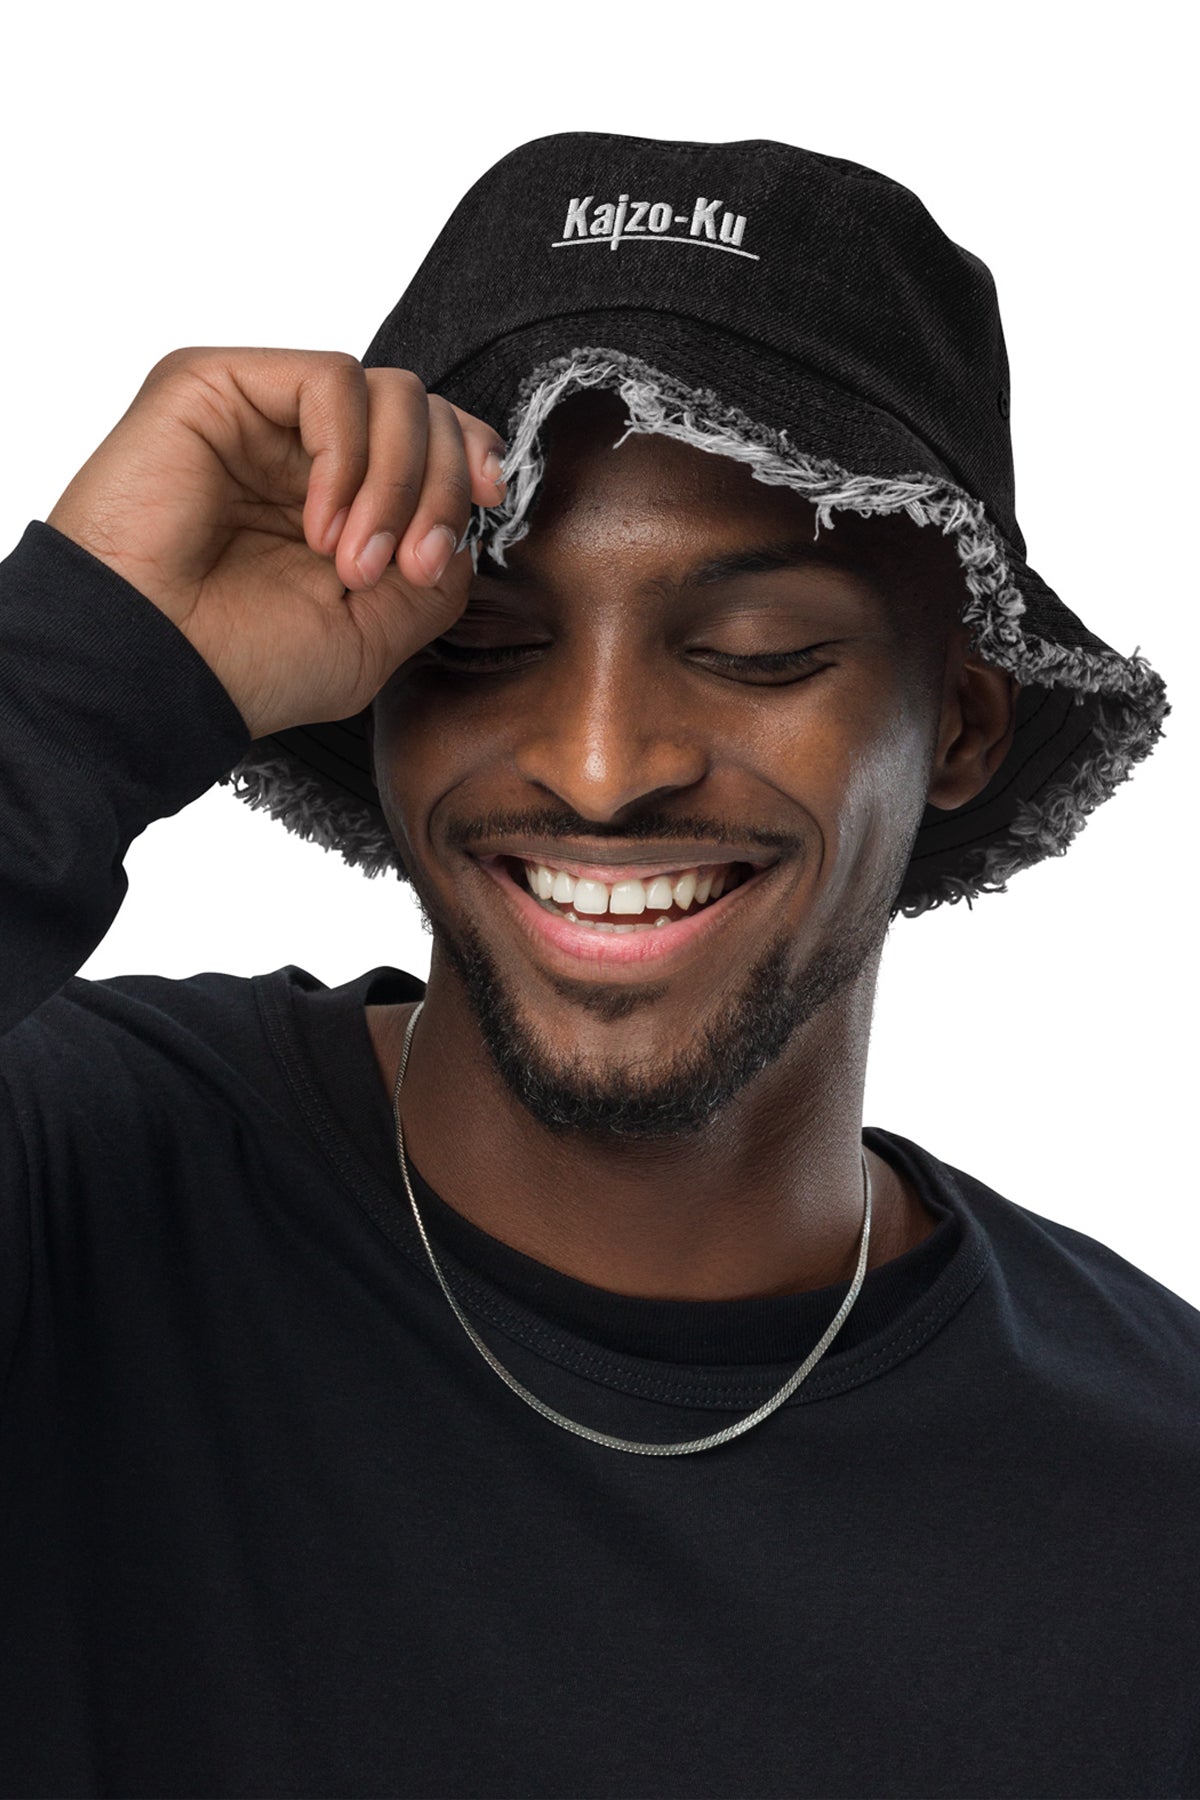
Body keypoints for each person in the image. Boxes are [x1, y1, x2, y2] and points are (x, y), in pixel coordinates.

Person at [0, 130, 1194, 1800]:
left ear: (964, 727)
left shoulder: (1154, 1499)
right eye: (485, 645)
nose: (601, 760)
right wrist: (79, 667)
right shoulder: (73, 1187)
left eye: (757, 650)